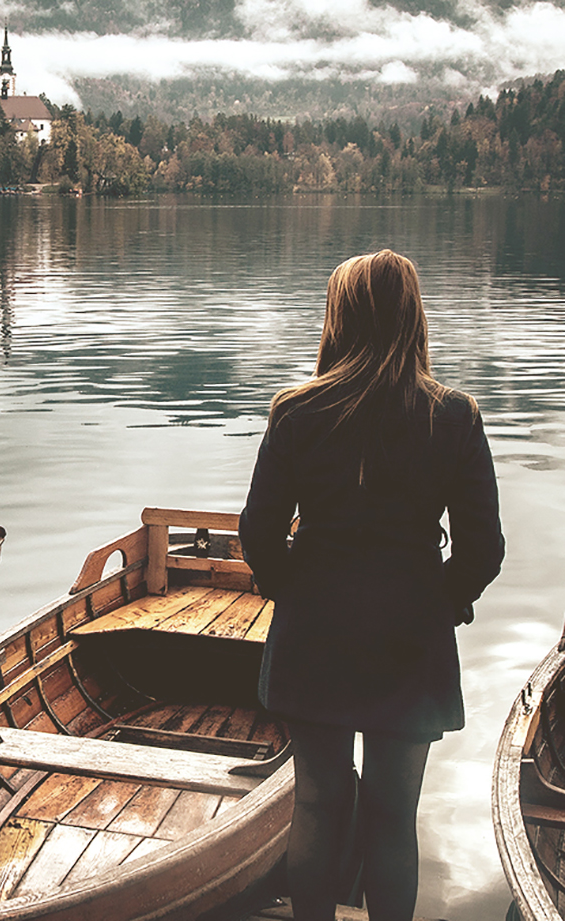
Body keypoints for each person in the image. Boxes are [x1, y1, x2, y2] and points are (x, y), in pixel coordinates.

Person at [239, 250, 504, 921]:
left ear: (340, 320)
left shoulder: (296, 413)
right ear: (413, 320)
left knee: (318, 803)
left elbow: (259, 532)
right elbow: (483, 548)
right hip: (410, 638)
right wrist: (442, 602)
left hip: (314, 632)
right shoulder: (456, 417)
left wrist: (290, 591)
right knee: (392, 816)